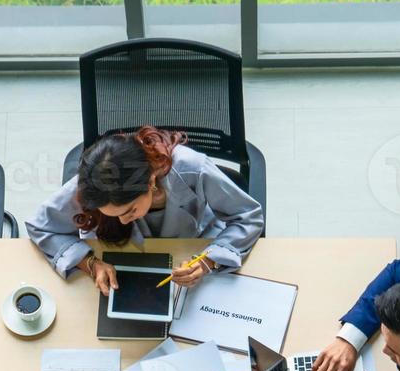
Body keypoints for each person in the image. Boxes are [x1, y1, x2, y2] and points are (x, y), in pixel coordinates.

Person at [26, 126, 264, 295]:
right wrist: (90, 264)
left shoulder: (192, 168)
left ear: (150, 181)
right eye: (113, 214)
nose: (122, 220)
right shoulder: (92, 181)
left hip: (193, 247)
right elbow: (40, 226)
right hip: (124, 263)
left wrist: (208, 261)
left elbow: (248, 217)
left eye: (129, 210)